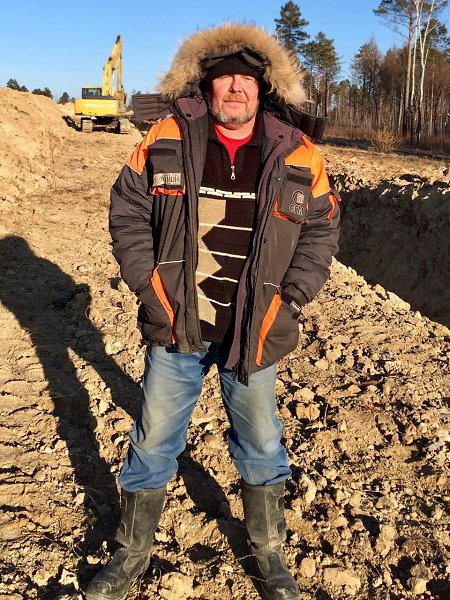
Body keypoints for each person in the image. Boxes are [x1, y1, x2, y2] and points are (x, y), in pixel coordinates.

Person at [86, 22, 340, 600]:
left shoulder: (299, 152)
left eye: (246, 79)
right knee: (154, 440)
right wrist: (148, 287)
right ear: (206, 84)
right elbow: (127, 209)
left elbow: (322, 228)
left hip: (253, 332)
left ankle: (268, 553)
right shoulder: (167, 136)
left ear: (264, 87)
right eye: (224, 78)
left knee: (262, 444)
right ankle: (131, 553)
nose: (235, 88)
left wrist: (293, 296)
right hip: (178, 325)